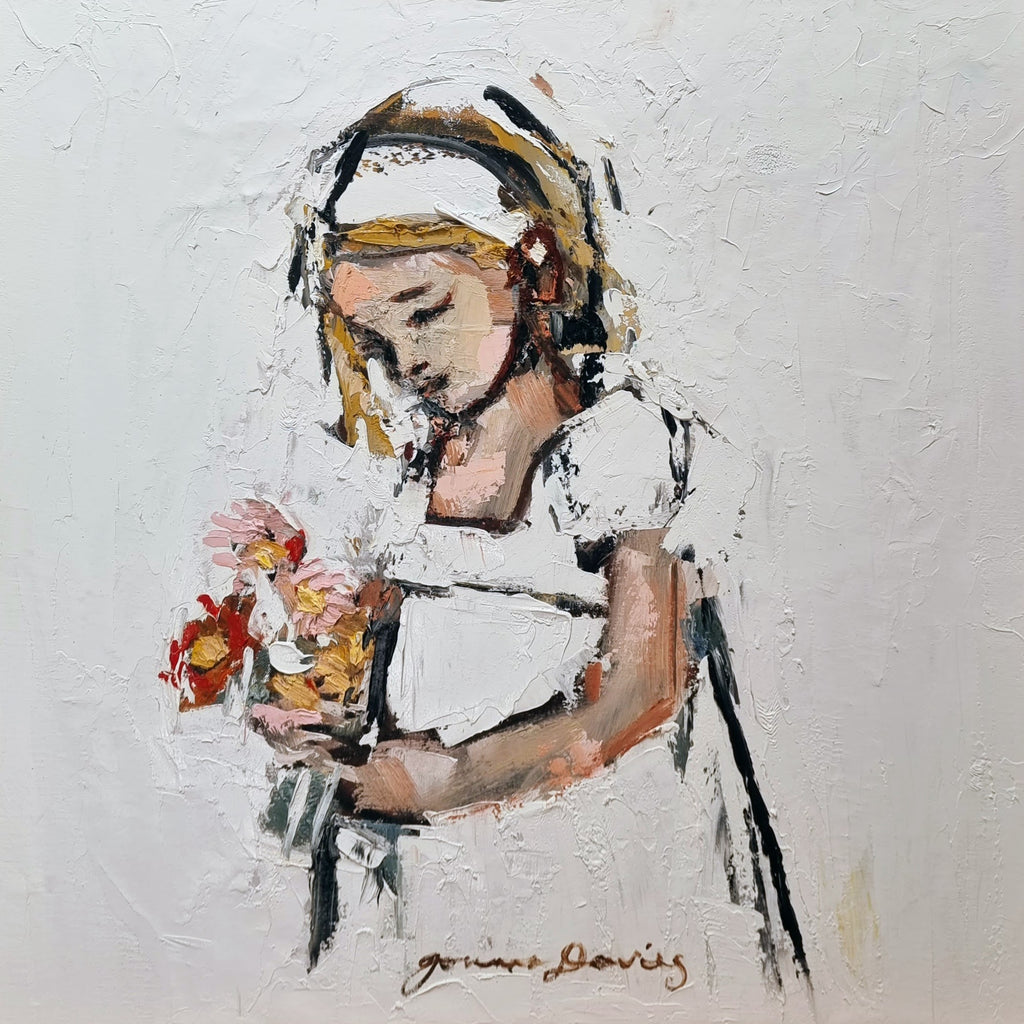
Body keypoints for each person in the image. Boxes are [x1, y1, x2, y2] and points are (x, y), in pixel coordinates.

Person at [167, 81, 809, 985]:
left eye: (427, 312)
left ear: (534, 267)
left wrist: (449, 781)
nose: (407, 361)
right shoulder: (413, 477)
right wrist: (326, 703)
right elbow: (400, 648)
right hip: (427, 859)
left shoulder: (614, 442)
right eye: (374, 340)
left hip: (597, 844)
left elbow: (642, 689)